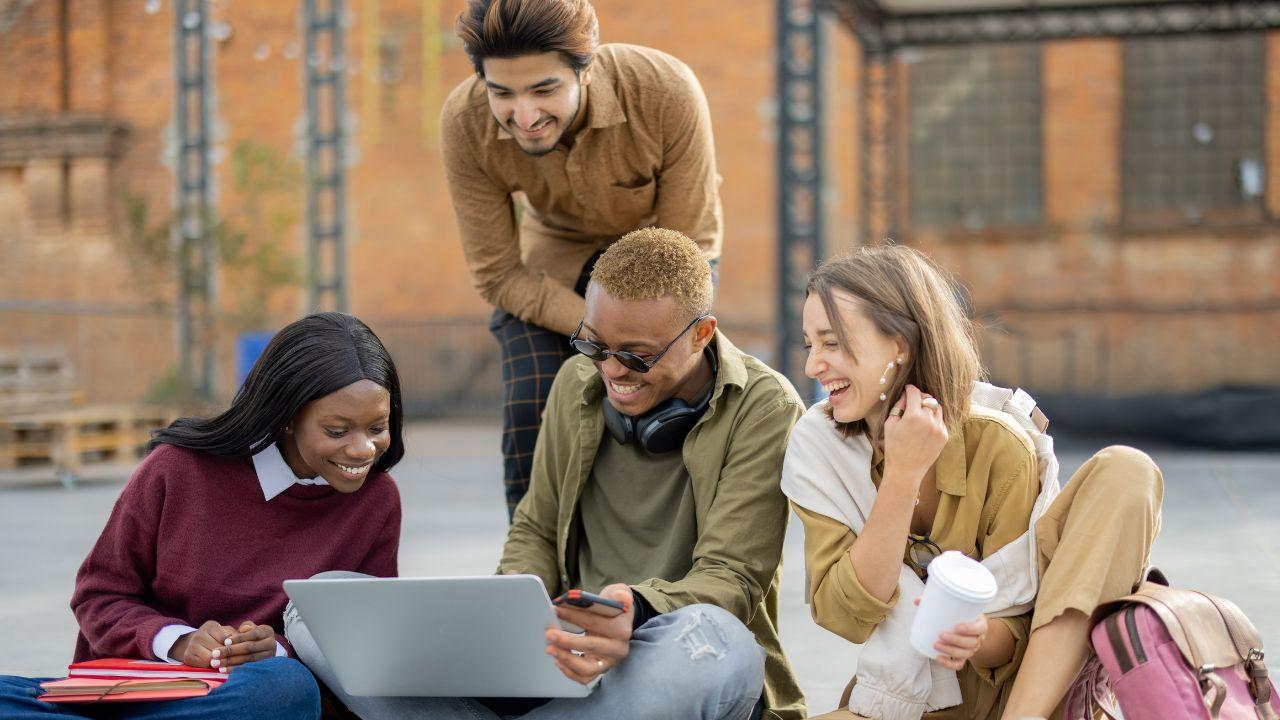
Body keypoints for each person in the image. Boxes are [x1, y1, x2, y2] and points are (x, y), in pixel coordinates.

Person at [287, 228, 805, 720]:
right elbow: (535, 528)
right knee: (315, 609)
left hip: (658, 652)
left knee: (720, 645)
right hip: (564, 660)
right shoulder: (576, 381)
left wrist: (637, 609)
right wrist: (513, 599)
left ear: (701, 335)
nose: (612, 370)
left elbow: (732, 578)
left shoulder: (765, 406)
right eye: (595, 345)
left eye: (637, 356)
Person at [781, 246, 1163, 720]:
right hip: (900, 699)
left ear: (900, 345)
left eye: (832, 343)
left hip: (1018, 698)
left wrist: (976, 637)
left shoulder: (999, 444)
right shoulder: (818, 448)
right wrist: (901, 476)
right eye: (809, 346)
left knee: (1128, 468)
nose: (812, 367)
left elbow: (1019, 622)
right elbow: (845, 616)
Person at [0, 312, 405, 720]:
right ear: (286, 416)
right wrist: (178, 642)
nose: (363, 449)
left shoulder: (376, 501)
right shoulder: (178, 469)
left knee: (285, 687)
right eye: (337, 430)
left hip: (253, 698)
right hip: (139, 689)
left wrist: (278, 650)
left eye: (377, 428)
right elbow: (99, 596)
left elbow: (363, 647)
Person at [441, 0, 724, 517]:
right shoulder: (464, 123)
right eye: (502, 93)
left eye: (544, 89)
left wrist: (636, 342)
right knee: (532, 403)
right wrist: (600, 336)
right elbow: (499, 274)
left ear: (585, 70)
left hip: (663, 265)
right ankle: (534, 560)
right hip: (553, 265)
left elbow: (690, 247)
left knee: (672, 408)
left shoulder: (665, 90)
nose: (525, 116)